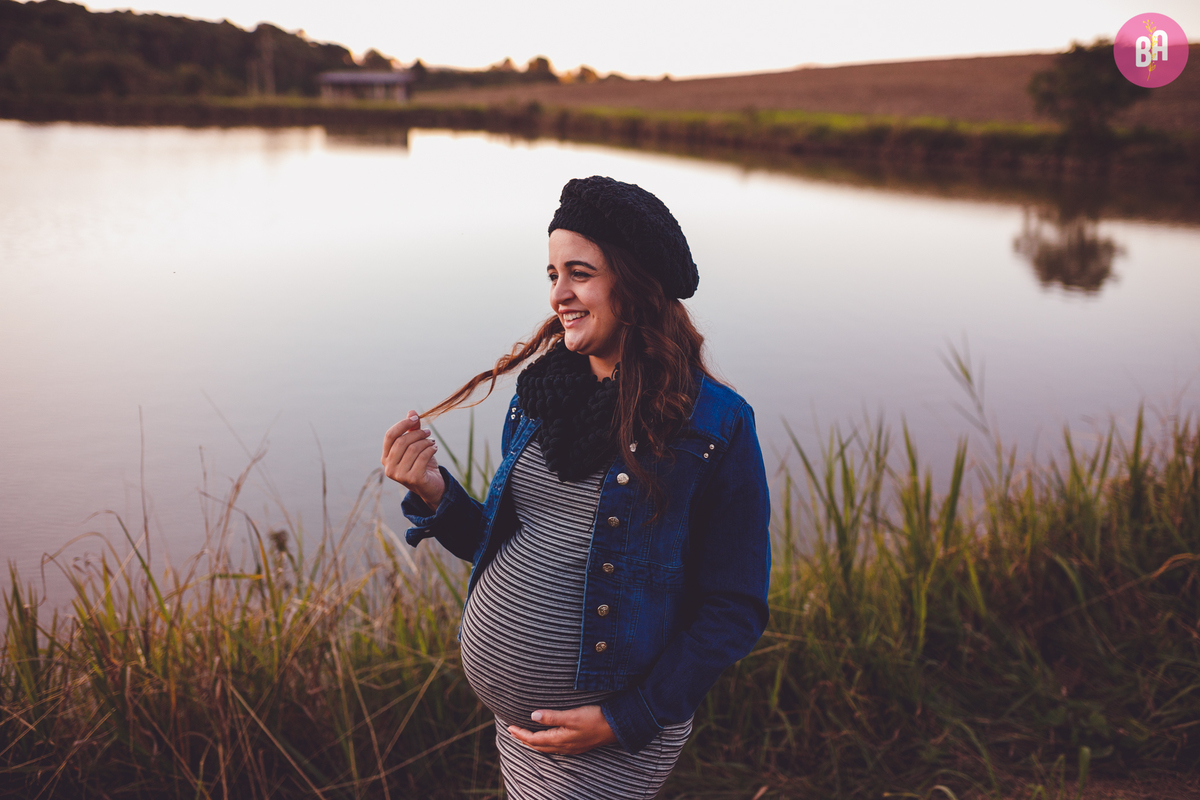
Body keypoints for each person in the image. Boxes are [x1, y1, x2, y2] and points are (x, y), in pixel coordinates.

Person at [381, 175, 771, 799]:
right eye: (552, 274)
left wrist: (627, 719)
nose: (559, 294)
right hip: (522, 732)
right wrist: (433, 491)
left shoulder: (713, 424)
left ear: (636, 285)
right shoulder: (540, 397)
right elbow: (509, 541)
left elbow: (735, 606)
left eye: (580, 273)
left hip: (608, 738)